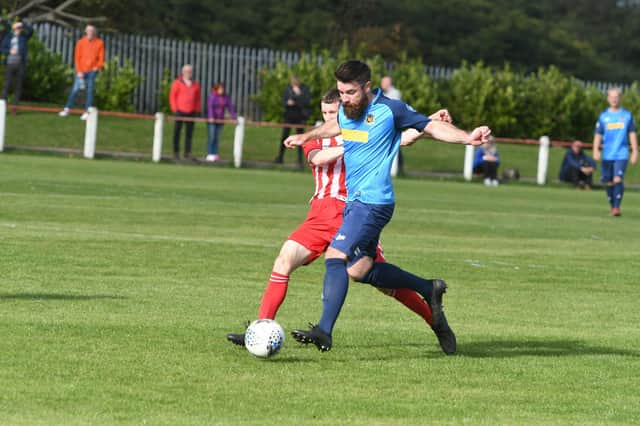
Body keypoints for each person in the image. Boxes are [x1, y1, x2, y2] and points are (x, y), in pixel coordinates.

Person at [226, 88, 457, 354]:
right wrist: (352, 142)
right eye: (324, 113)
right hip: (319, 216)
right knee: (283, 260)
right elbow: (318, 158)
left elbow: (402, 138)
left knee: (380, 282)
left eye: (332, 113)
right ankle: (261, 328)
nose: (327, 118)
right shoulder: (319, 138)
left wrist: (430, 122)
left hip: (353, 213)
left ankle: (435, 321)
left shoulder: (362, 129)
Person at [284, 60, 490, 353]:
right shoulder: (347, 111)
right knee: (360, 270)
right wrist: (307, 136)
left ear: (367, 87)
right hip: (356, 203)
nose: (345, 99)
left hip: (373, 202)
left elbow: (432, 127)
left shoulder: (391, 110)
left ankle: (324, 331)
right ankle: (427, 287)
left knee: (335, 256)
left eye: (351, 92)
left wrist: (467, 138)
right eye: (341, 92)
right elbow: (335, 124)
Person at [593, 87, 638, 216]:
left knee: (618, 179)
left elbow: (632, 134)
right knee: (609, 181)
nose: (614, 99)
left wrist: (635, 151)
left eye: (616, 97)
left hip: (621, 153)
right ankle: (613, 206)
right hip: (607, 154)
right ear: (608, 99)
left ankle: (616, 208)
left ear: (620, 98)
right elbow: (598, 135)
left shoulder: (627, 116)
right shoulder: (604, 117)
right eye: (611, 97)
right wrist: (596, 149)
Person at [58, 25, 104, 121]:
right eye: (88, 30)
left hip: (92, 71)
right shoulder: (80, 42)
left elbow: (101, 57)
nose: (90, 32)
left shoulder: (100, 43)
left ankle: (87, 112)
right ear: (86, 31)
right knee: (75, 90)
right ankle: (67, 109)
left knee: (89, 91)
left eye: (92, 30)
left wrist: (97, 67)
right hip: (81, 71)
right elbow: (77, 58)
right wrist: (79, 71)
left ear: (94, 32)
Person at [274, 75, 311, 166]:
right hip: (289, 115)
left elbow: (306, 101)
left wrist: (298, 95)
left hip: (299, 116)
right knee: (285, 136)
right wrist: (288, 102)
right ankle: (280, 157)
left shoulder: (304, 89)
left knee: (301, 137)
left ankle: (300, 160)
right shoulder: (288, 89)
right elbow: (284, 100)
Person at [169, 64, 202, 160]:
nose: (188, 73)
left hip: (191, 111)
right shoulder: (177, 83)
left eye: (190, 71)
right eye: (187, 71)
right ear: (183, 72)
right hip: (180, 111)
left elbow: (198, 99)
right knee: (177, 132)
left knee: (189, 133)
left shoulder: (195, 85)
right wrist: (175, 109)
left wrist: (197, 110)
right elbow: (172, 96)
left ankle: (187, 152)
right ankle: (176, 152)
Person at [1, 20, 34, 114]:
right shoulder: (8, 37)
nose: (19, 29)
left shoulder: (24, 37)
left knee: (18, 87)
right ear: (14, 29)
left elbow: (31, 30)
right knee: (6, 86)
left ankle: (14, 109)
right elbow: (2, 48)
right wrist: (9, 51)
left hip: (20, 65)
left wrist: (22, 23)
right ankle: (2, 107)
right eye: (18, 28)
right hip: (9, 64)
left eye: (20, 28)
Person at [205, 83, 237, 162]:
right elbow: (210, 107)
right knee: (211, 137)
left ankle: (215, 154)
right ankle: (210, 154)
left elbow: (230, 107)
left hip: (220, 120)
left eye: (222, 89)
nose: (221, 90)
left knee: (217, 138)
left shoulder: (226, 97)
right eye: (220, 89)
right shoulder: (212, 96)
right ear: (216, 89)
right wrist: (211, 117)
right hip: (212, 120)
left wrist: (234, 117)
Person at [381, 75, 405, 174]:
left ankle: (394, 171)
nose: (382, 84)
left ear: (388, 83)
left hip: (393, 123)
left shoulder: (395, 93)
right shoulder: (382, 93)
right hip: (383, 125)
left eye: (384, 82)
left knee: (395, 146)